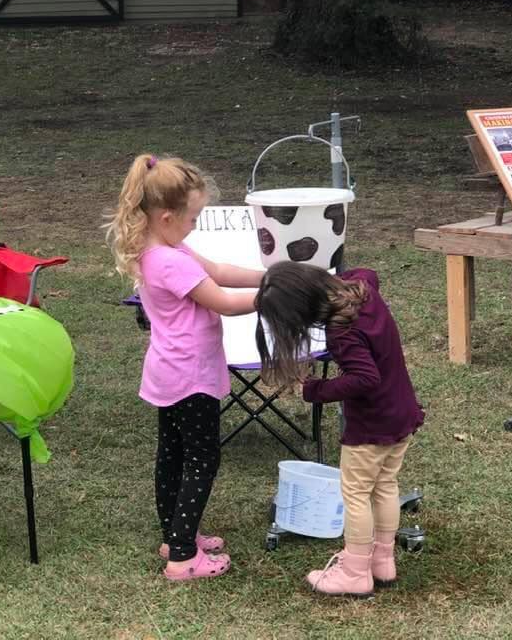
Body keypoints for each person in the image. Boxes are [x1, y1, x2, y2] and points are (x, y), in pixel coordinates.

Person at [105, 154, 264, 582]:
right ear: (167, 215)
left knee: (172, 456)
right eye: (193, 217)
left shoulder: (161, 248)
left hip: (167, 371)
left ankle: (175, 534)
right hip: (190, 375)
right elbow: (224, 302)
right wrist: (279, 295)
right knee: (201, 461)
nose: (196, 224)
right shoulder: (170, 261)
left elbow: (218, 272)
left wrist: (268, 276)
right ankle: (182, 558)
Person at [255, 262, 425, 597]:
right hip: (400, 411)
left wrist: (316, 390)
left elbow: (364, 378)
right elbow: (369, 271)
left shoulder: (341, 330)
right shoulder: (361, 288)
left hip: (371, 424)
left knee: (357, 494)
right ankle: (382, 561)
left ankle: (354, 571)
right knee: (385, 485)